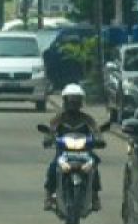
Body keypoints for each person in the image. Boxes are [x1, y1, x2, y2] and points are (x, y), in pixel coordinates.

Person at [43, 83, 104, 212]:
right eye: (70, 100)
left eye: (76, 101)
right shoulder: (58, 119)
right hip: (63, 152)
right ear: (65, 101)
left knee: (94, 166)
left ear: (81, 102)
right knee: (53, 166)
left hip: (84, 152)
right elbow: (51, 131)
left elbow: (96, 130)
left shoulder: (87, 119)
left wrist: (99, 139)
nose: (73, 104)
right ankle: (49, 195)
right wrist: (48, 139)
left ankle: (95, 196)